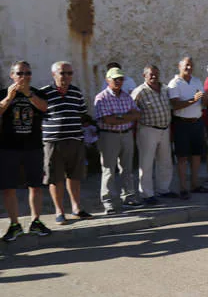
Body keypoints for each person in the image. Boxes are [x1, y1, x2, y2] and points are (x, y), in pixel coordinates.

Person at [1, 61, 52, 242]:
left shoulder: (37, 93)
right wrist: (9, 97)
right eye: (20, 73)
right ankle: (14, 225)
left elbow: (44, 107)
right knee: (8, 188)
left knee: (36, 186)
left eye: (27, 73)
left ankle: (36, 221)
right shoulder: (3, 93)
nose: (24, 77)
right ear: (12, 75)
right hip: (9, 148)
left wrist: (28, 94)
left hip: (33, 147)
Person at [40, 61, 94, 223]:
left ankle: (76, 208)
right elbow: (37, 116)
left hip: (75, 140)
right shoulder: (44, 93)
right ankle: (59, 211)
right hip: (53, 142)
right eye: (63, 73)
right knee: (55, 178)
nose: (66, 76)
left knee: (74, 176)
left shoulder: (76, 92)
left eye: (70, 73)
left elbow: (83, 114)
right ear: (53, 74)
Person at [94, 66, 142, 214]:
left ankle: (129, 197)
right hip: (109, 136)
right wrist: (125, 117)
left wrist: (119, 118)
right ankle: (108, 201)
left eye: (121, 79)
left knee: (127, 168)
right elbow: (108, 120)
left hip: (126, 134)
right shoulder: (101, 98)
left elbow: (137, 114)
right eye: (115, 79)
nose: (119, 81)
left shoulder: (126, 96)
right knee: (109, 169)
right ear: (108, 80)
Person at [131, 65, 179, 205]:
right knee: (146, 163)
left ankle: (163, 189)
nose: (154, 76)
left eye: (156, 74)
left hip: (165, 129)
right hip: (148, 130)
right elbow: (131, 108)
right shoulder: (139, 91)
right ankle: (147, 194)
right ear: (144, 75)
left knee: (165, 161)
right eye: (151, 74)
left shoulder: (164, 88)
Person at [168, 57, 208, 200]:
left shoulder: (197, 81)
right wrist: (193, 99)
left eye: (191, 65)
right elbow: (175, 105)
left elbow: (203, 104)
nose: (189, 68)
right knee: (182, 157)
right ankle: (183, 188)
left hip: (197, 122)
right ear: (179, 66)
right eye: (186, 65)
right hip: (182, 124)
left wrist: (206, 98)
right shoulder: (174, 83)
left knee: (197, 155)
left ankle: (195, 185)